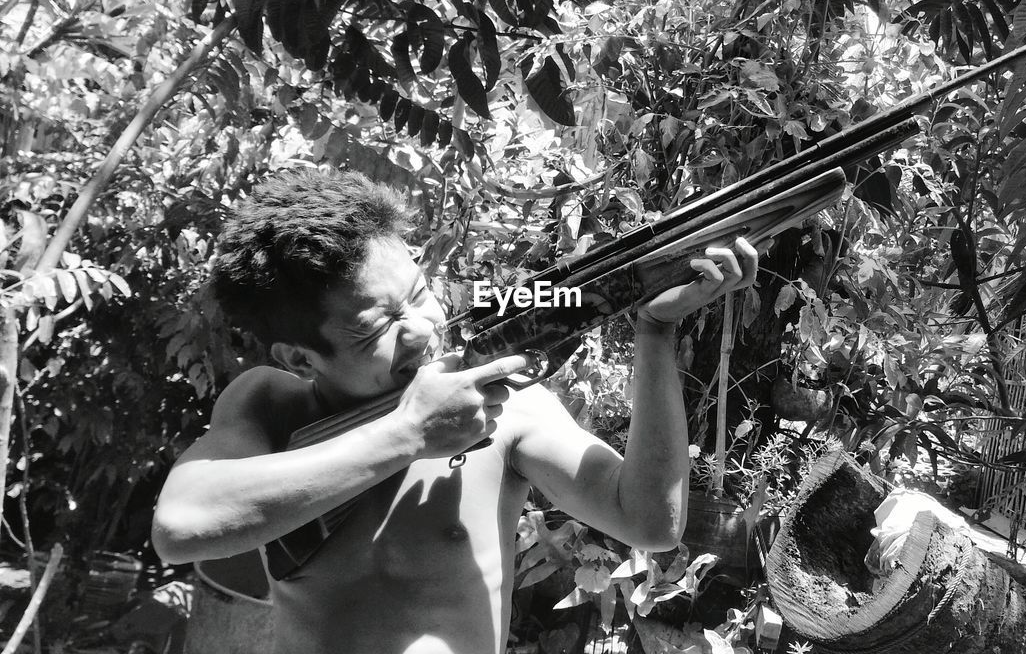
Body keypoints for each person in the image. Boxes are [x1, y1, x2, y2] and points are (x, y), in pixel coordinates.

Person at [150, 169, 759, 654]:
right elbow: (181, 527)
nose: (421, 329)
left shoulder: (510, 407)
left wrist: (654, 331)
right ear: (299, 357)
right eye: (377, 327)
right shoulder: (267, 401)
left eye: (418, 294)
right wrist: (408, 433)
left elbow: (650, 523)